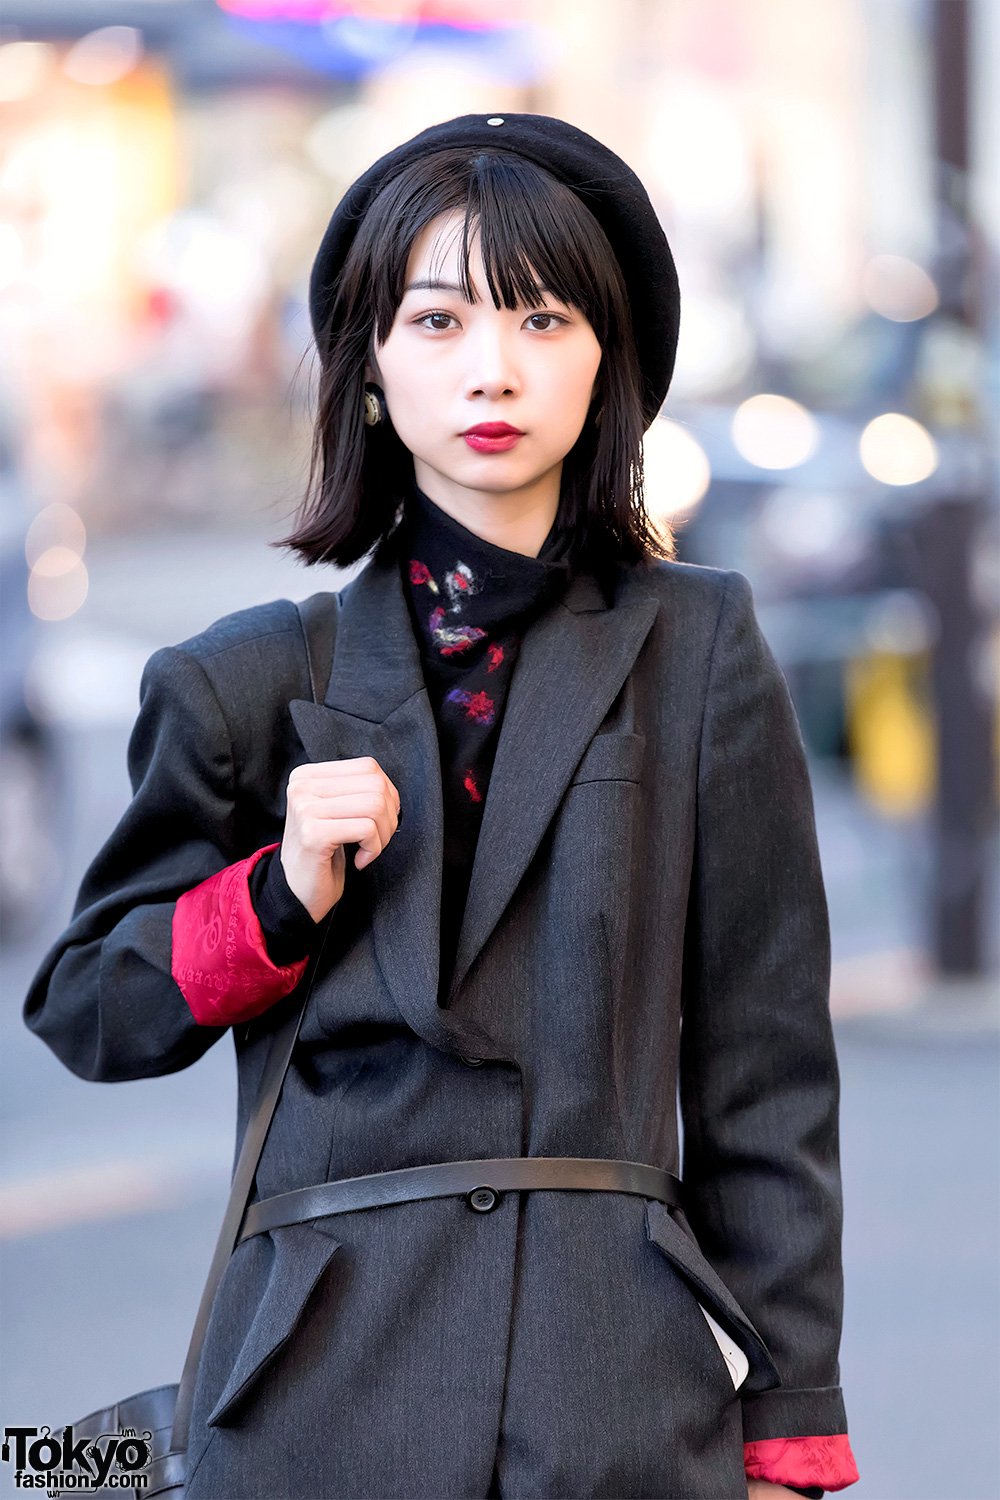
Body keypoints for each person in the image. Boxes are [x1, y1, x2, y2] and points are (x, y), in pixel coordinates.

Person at [23, 113, 861, 1499]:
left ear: (609, 365)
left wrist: (791, 1433)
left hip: (619, 1412)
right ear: (368, 368)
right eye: (439, 320)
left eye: (543, 319)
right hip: (313, 1402)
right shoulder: (245, 681)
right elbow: (90, 1010)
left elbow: (765, 1071)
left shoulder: (696, 651)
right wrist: (278, 895)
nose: (493, 367)